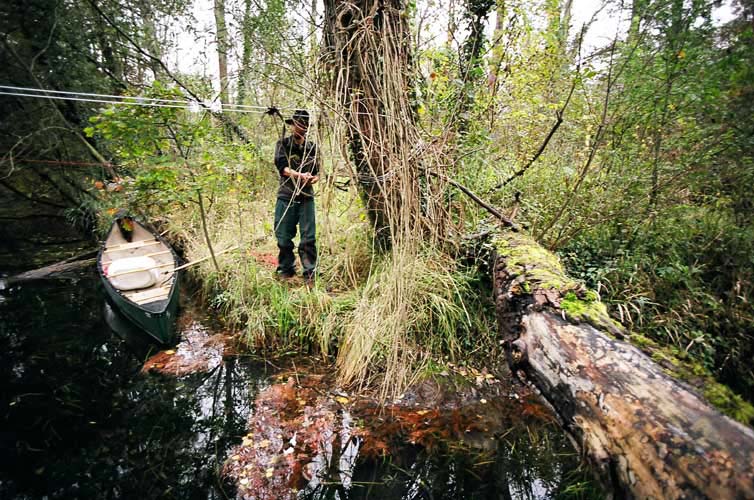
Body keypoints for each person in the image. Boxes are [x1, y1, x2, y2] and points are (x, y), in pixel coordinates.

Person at [273, 109, 320, 282]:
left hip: (306, 197)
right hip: (286, 195)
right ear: (293, 125)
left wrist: (312, 178)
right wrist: (300, 176)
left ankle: (309, 273)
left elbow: (317, 171)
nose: (302, 128)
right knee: (283, 236)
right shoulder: (283, 144)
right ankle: (286, 270)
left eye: (305, 125)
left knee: (308, 237)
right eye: (299, 124)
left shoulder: (312, 148)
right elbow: (282, 168)